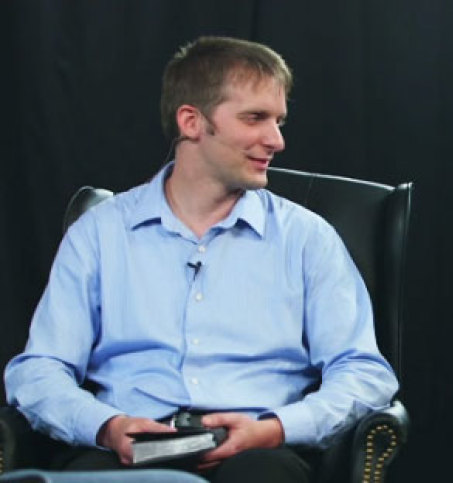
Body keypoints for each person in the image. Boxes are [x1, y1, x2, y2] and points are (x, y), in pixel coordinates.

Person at [4, 36, 398, 483]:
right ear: (192, 121)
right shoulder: (99, 233)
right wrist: (107, 427)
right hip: (128, 452)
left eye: (279, 120)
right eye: (256, 118)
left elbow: (364, 372)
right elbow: (39, 370)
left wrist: (275, 429)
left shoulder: (307, 238)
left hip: (259, 453)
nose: (276, 140)